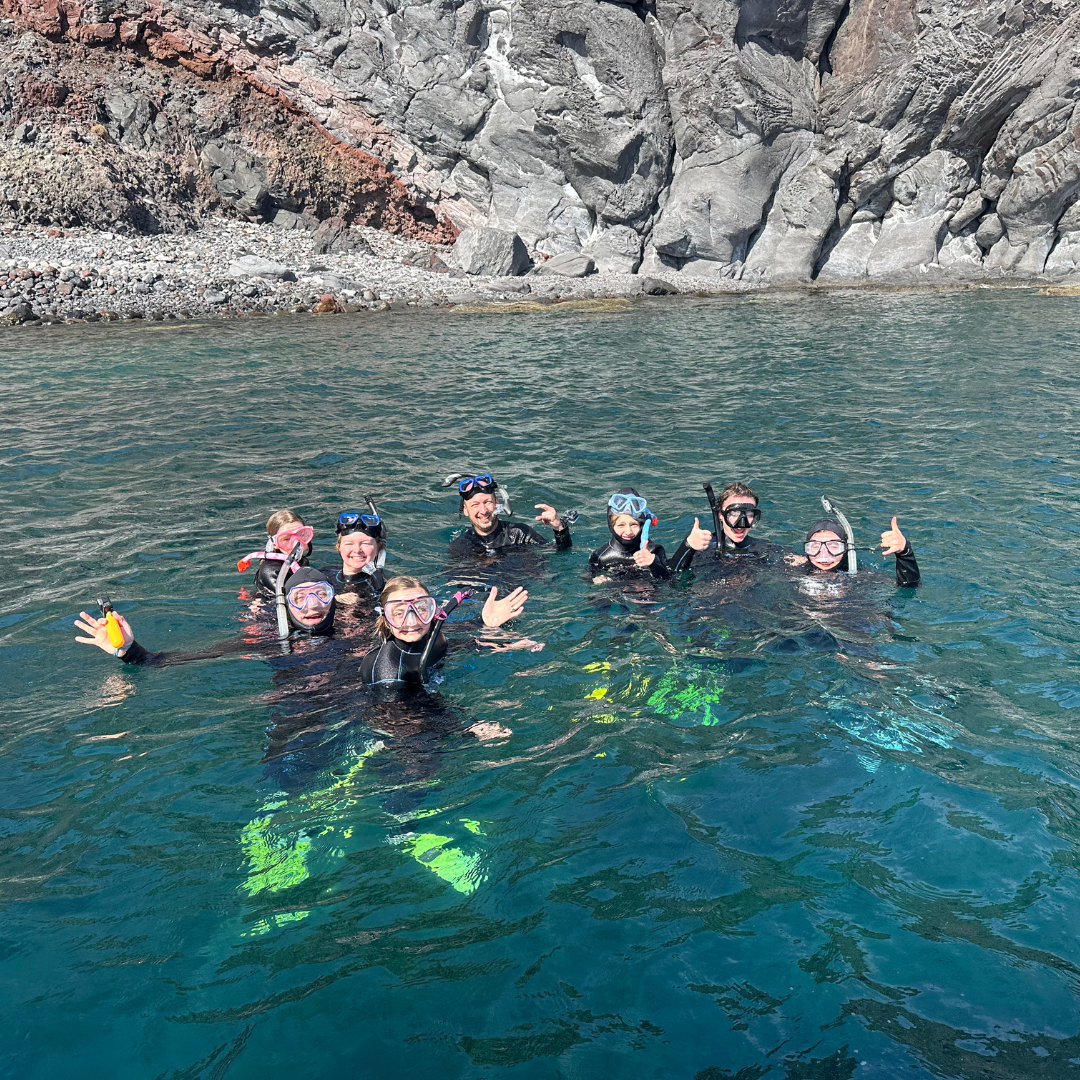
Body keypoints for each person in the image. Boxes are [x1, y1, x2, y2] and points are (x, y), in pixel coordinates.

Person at [75, 566, 339, 666]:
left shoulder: (356, 633)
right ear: (286, 606)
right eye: (299, 598)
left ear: (333, 601)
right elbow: (189, 657)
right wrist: (131, 650)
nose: (312, 605)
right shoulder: (273, 641)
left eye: (321, 594)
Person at [359, 574, 529, 689]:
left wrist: (490, 629)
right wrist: (470, 727)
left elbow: (460, 644)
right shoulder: (389, 673)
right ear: (386, 619)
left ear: (434, 611)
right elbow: (407, 724)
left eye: (421, 609)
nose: (411, 622)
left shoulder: (432, 633)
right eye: (398, 613)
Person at [589, 487, 710, 581]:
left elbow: (668, 579)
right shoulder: (600, 555)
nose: (628, 531)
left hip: (646, 593)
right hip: (614, 590)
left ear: (642, 525)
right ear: (611, 525)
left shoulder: (654, 550)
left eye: (634, 524)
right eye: (621, 525)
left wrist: (653, 562)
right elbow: (587, 576)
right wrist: (595, 580)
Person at [446, 472, 572, 559]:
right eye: (475, 505)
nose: (483, 511)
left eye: (487, 502)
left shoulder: (521, 533)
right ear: (465, 510)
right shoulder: (461, 546)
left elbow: (562, 553)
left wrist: (558, 528)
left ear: (497, 503)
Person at [670, 481, 782, 570]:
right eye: (734, 514)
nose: (741, 524)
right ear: (720, 515)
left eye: (749, 514)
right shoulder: (702, 547)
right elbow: (667, 577)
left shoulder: (763, 547)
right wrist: (687, 546)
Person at [796, 515, 920, 586]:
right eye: (815, 546)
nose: (824, 555)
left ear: (846, 550)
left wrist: (905, 553)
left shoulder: (861, 577)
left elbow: (909, 587)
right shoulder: (793, 568)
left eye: (834, 546)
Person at [321, 504, 386, 604]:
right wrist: (334, 599)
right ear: (338, 547)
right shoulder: (323, 574)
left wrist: (364, 605)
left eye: (365, 543)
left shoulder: (386, 588)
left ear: (378, 548)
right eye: (349, 544)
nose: (357, 550)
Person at [250, 509, 312, 597]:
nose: (296, 542)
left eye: (301, 535)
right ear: (275, 544)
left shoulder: (302, 560)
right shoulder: (271, 570)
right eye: (286, 539)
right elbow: (291, 598)